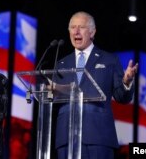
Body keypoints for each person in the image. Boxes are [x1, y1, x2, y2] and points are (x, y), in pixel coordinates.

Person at [52, 11, 138, 159]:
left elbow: (121, 97)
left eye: (81, 27)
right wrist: (48, 91)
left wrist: (127, 81)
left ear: (92, 32)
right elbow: (53, 98)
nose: (76, 31)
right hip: (66, 137)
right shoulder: (61, 64)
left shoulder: (109, 59)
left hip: (98, 137)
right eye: (73, 27)